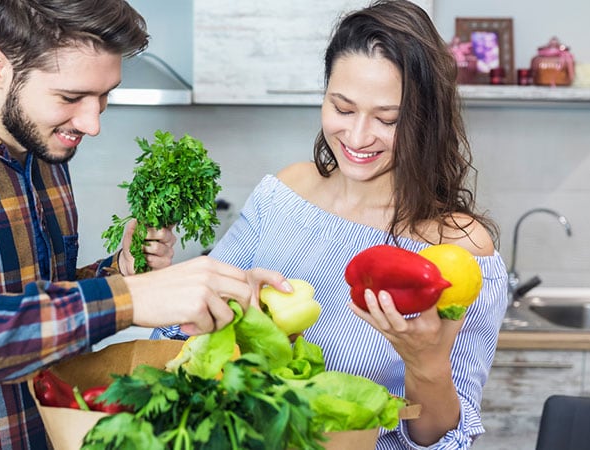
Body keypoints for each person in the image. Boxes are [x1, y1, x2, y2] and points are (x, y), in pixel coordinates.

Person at [0, 1, 287, 448]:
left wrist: (119, 273)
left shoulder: (42, 151)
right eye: (71, 97)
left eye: (105, 96)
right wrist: (125, 300)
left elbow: (37, 295)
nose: (92, 122)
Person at [155, 1, 508, 448]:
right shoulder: (283, 193)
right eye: (342, 108)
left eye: (388, 120)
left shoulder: (458, 251)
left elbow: (441, 440)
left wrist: (426, 364)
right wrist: (223, 311)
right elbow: (170, 350)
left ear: (426, 123)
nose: (358, 137)